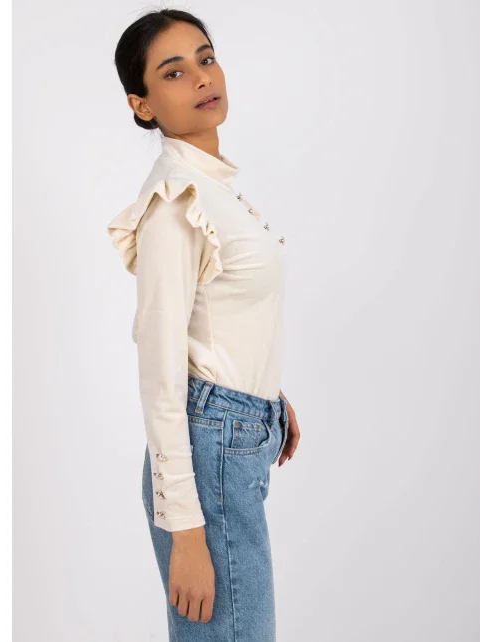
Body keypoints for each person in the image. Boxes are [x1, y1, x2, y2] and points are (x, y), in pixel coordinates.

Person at [108, 9, 300, 641]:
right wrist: (186, 530)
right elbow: (160, 370)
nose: (200, 77)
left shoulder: (213, 187)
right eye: (173, 72)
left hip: (231, 438)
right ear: (142, 105)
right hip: (207, 461)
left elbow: (222, 317)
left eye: (206, 58)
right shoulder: (177, 202)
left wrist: (266, 398)